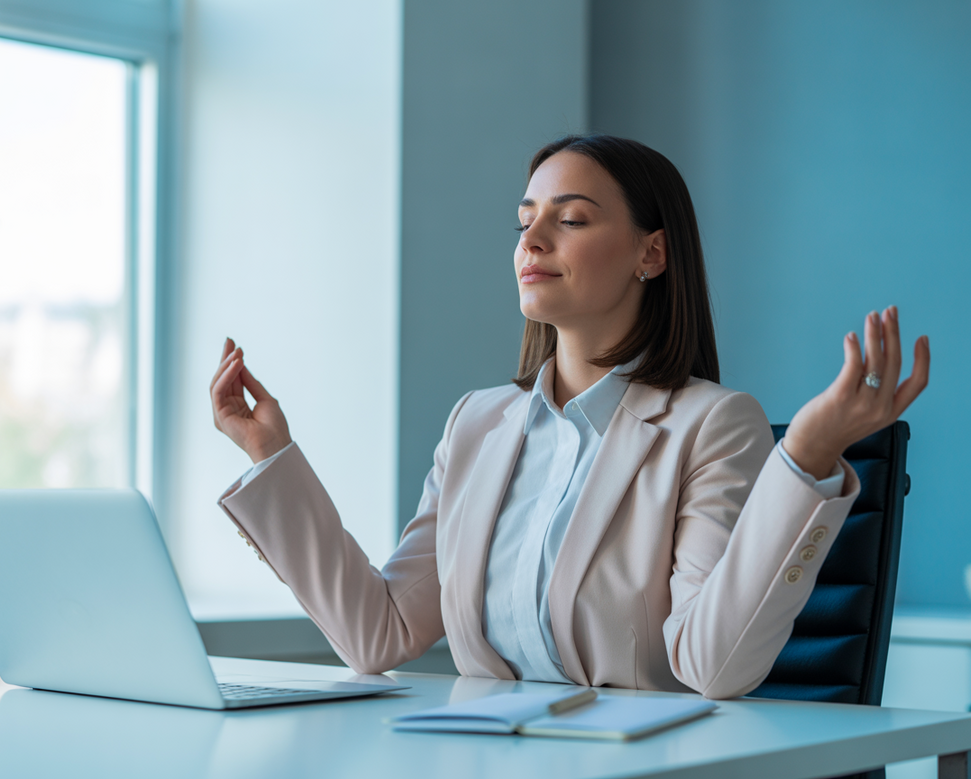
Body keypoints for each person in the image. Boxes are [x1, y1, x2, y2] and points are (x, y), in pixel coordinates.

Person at [209, 135, 930, 699]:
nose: (532, 240)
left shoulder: (712, 423)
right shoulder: (476, 423)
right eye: (525, 222)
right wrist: (271, 454)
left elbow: (711, 666)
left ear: (650, 253)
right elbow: (380, 632)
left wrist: (804, 453)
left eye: (571, 218)